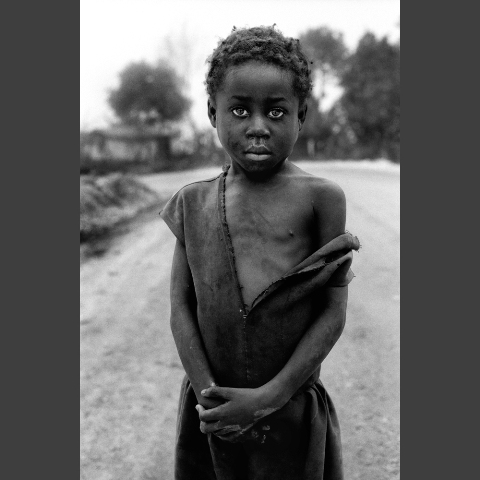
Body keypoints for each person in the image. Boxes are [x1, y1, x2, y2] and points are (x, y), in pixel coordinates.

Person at [161, 25, 360, 480]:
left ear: (300, 115)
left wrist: (269, 398)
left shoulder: (322, 199)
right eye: (239, 110)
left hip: (289, 411)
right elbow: (180, 307)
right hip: (212, 413)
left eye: (275, 111)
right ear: (213, 113)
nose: (257, 127)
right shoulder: (193, 203)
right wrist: (210, 399)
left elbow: (332, 312)